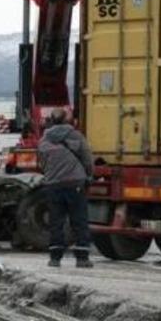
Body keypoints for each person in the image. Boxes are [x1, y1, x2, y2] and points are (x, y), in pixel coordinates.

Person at [37, 108, 94, 268]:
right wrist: (89, 176)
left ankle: (55, 258)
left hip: (54, 185)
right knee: (79, 221)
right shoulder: (76, 136)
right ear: (67, 120)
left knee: (56, 222)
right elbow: (87, 159)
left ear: (51, 121)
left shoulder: (44, 141)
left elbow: (41, 163)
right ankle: (82, 258)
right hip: (75, 184)